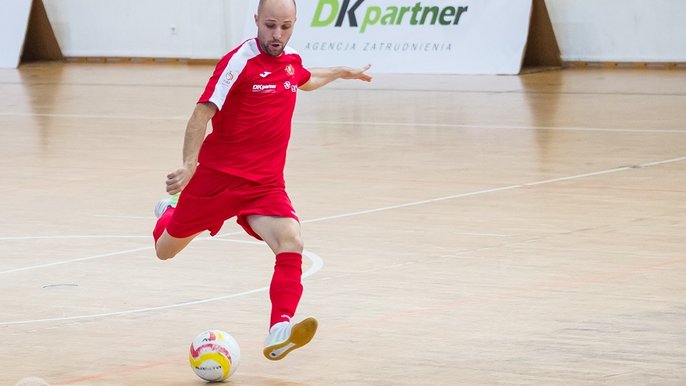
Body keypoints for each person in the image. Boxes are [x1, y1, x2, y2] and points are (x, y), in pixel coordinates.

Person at [152, 0, 372, 361]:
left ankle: (278, 331)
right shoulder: (238, 63)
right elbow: (201, 113)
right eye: (270, 25)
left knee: (292, 240)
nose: (277, 35)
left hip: (265, 184)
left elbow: (304, 78)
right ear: (256, 20)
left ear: (295, 23)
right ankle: (168, 211)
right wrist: (189, 165)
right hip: (217, 180)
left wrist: (337, 72)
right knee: (165, 250)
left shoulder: (290, 59)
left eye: (286, 27)